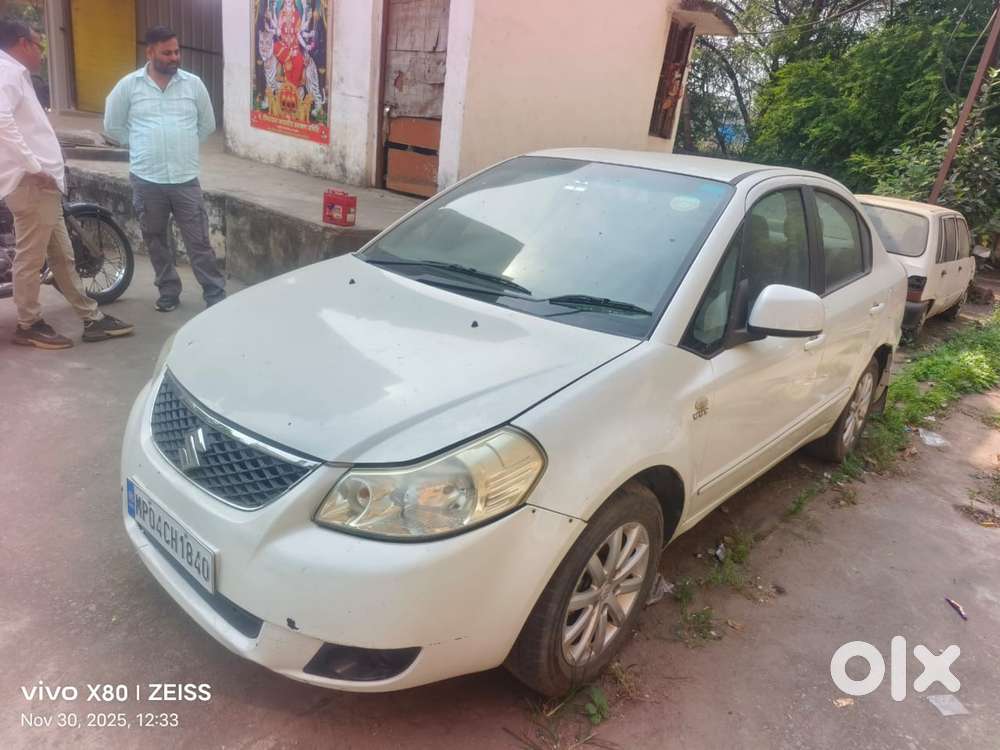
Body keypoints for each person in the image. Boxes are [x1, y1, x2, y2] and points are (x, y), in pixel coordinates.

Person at [0, 19, 133, 349]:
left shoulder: (16, 74)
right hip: (32, 184)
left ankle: (91, 317)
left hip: (41, 186)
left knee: (62, 256)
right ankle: (28, 323)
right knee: (31, 259)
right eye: (38, 44)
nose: (42, 52)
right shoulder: (7, 72)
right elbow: (1, 120)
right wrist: (34, 167)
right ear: (22, 43)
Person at [104, 25, 225, 312]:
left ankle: (215, 294)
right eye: (167, 52)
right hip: (147, 179)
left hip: (185, 179)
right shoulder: (129, 86)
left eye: (177, 51)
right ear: (150, 52)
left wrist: (179, 144)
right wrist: (142, 144)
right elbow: (112, 126)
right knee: (156, 240)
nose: (174, 57)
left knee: (199, 242)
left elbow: (206, 125)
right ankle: (168, 290)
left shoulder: (193, 85)